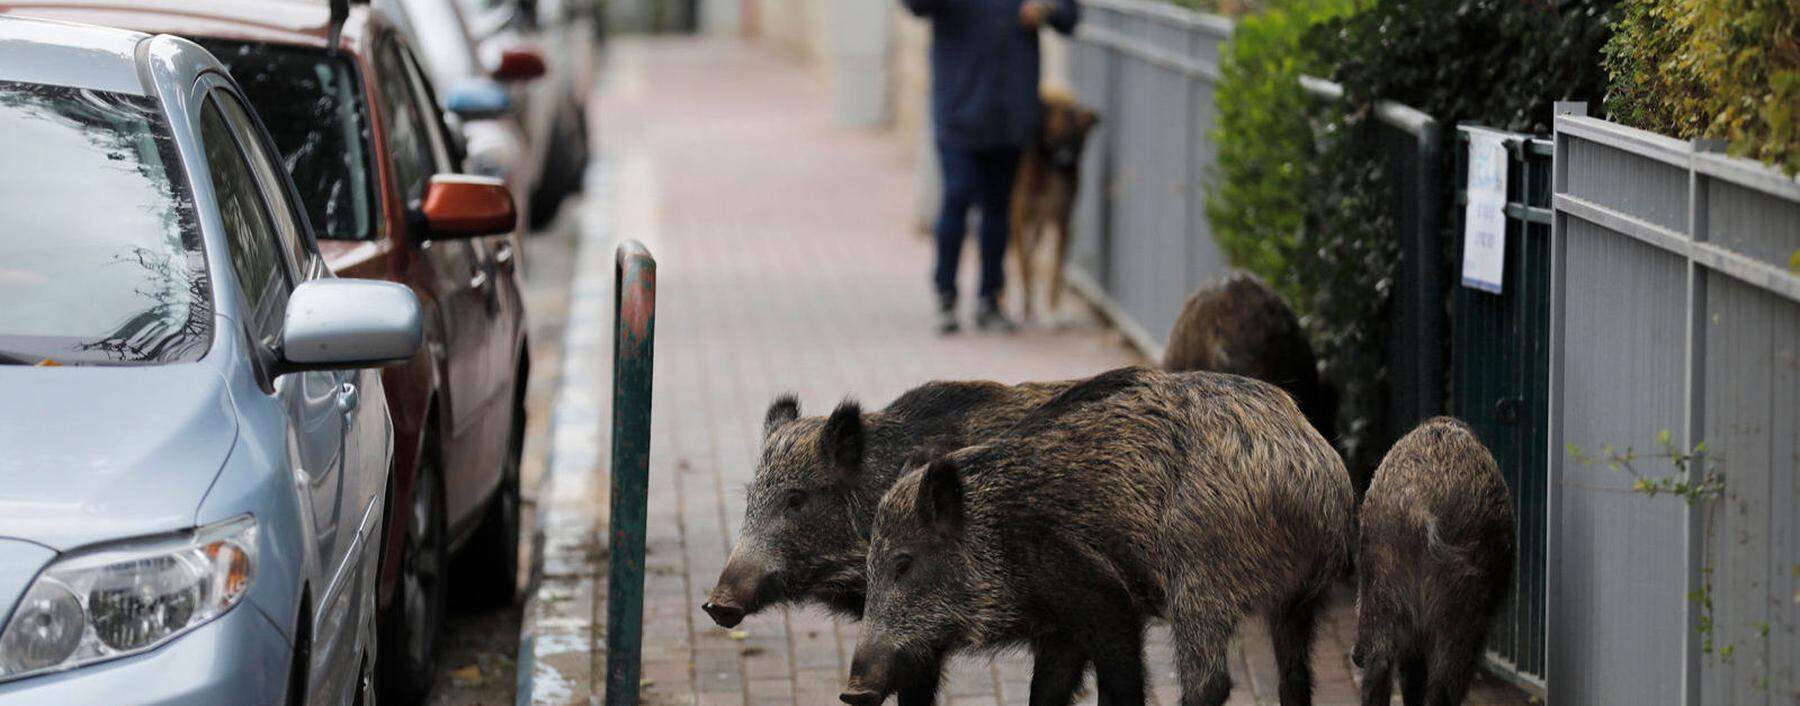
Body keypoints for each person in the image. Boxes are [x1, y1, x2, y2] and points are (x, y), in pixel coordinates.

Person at [901, 0, 1080, 334]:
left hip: (1011, 112)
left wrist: (1048, 9)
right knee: (957, 195)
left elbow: (1070, 17)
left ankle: (990, 298)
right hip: (959, 107)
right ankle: (946, 294)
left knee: (998, 208)